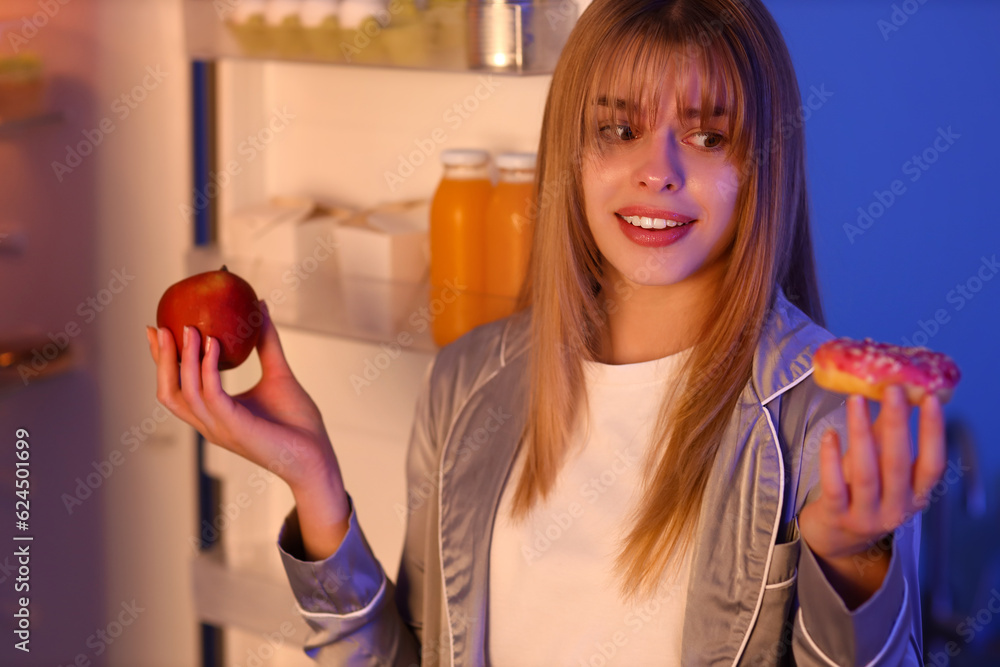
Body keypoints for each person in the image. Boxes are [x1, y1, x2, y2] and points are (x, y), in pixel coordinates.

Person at [147, 0, 944, 663]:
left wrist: (853, 562)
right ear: (572, 151)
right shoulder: (466, 383)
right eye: (618, 130)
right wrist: (314, 483)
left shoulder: (829, 421)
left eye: (706, 136)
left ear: (761, 165)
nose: (657, 169)